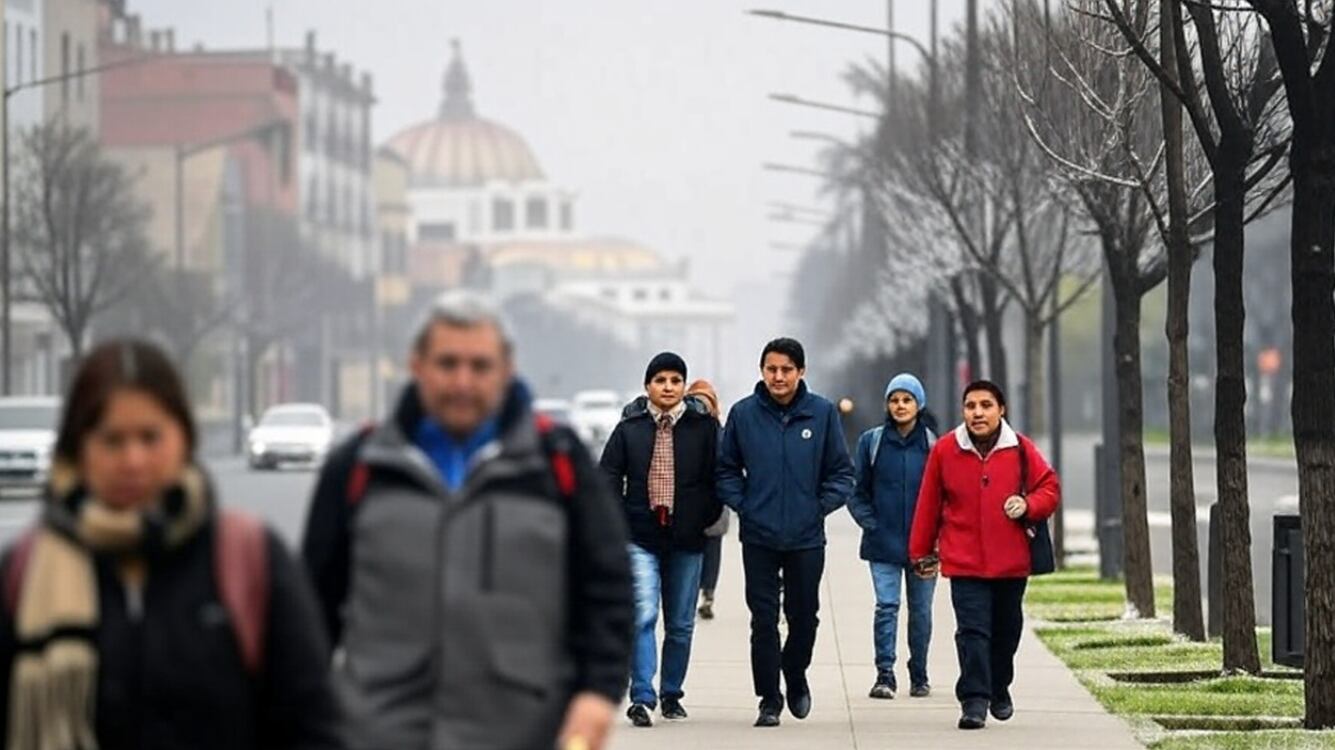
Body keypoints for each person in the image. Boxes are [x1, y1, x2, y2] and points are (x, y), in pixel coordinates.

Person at [302, 291, 634, 750]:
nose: (462, 382)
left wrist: (598, 693)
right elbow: (311, 611)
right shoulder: (360, 467)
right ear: (417, 365)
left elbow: (608, 589)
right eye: (447, 363)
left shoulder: (557, 465)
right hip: (380, 730)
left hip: (523, 731)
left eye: (479, 366)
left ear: (506, 369)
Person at [0, 340, 341, 750]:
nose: (133, 460)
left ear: (184, 438)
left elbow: (314, 725)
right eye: (112, 440)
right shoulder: (24, 573)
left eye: (150, 437)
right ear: (79, 449)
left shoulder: (248, 560)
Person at [717, 338, 856, 728]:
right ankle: (769, 698)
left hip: (806, 537)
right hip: (758, 536)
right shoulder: (743, 415)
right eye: (771, 369)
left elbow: (841, 473)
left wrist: (817, 507)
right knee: (763, 619)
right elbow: (726, 470)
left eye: (786, 369)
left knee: (803, 616)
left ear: (801, 372)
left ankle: (795, 674)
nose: (778, 377)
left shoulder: (822, 413)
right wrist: (744, 506)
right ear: (762, 371)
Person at [909, 380, 1060, 731]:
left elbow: (1049, 488)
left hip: (1011, 562)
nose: (977, 413)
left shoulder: (1021, 449)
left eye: (986, 405)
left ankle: (999, 686)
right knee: (973, 631)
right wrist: (920, 551)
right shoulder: (946, 450)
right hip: (964, 561)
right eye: (970, 406)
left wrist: (1028, 504)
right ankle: (974, 700)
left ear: (1001, 410)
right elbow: (928, 503)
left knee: (1007, 631)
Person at [600, 354, 722, 728]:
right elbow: (606, 478)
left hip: (688, 538)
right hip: (640, 537)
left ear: (684, 385)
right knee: (642, 614)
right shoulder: (629, 429)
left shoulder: (704, 429)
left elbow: (719, 477)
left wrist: (704, 516)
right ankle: (642, 696)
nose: (667, 387)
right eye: (659, 380)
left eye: (674, 380)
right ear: (647, 386)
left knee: (681, 623)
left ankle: (671, 692)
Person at [847, 373, 937, 701]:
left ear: (919, 404)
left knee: (921, 611)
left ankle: (920, 673)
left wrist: (937, 536)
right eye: (894, 400)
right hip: (882, 542)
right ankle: (885, 673)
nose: (900, 406)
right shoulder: (871, 442)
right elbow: (856, 491)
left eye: (907, 400)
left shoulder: (933, 445)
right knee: (886, 606)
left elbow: (944, 496)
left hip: (924, 546)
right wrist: (871, 522)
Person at [687, 379, 728, 621]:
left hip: (715, 503)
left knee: (712, 552)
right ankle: (691, 594)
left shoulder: (721, 433)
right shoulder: (679, 432)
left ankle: (708, 595)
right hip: (689, 507)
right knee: (691, 554)